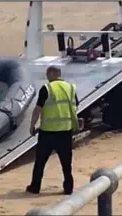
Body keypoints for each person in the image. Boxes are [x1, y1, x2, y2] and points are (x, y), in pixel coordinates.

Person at [26, 66, 79, 195]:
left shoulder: (47, 88)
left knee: (40, 162)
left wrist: (32, 125)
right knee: (66, 163)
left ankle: (35, 187)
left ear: (52, 74)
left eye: (47, 75)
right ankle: (68, 187)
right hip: (65, 131)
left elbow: (38, 109)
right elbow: (75, 105)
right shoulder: (71, 88)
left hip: (48, 133)